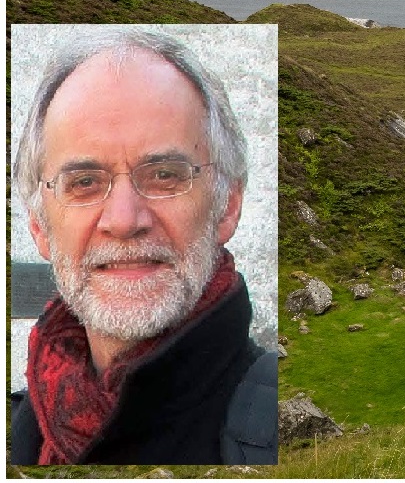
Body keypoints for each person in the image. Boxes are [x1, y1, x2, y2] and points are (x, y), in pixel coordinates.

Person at [8, 30, 277, 465]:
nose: (124, 220)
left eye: (165, 175)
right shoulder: (22, 428)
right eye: (84, 183)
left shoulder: (275, 428)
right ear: (39, 224)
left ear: (227, 204)